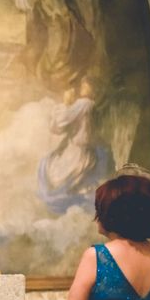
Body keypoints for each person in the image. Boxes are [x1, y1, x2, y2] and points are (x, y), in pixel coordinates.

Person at [37, 76, 113, 213]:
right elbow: (57, 127)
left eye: (86, 85)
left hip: (79, 153)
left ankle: (61, 201)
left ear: (93, 89)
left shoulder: (85, 103)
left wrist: (65, 103)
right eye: (82, 84)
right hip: (72, 149)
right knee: (48, 162)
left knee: (54, 174)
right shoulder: (81, 105)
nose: (82, 87)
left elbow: (62, 120)